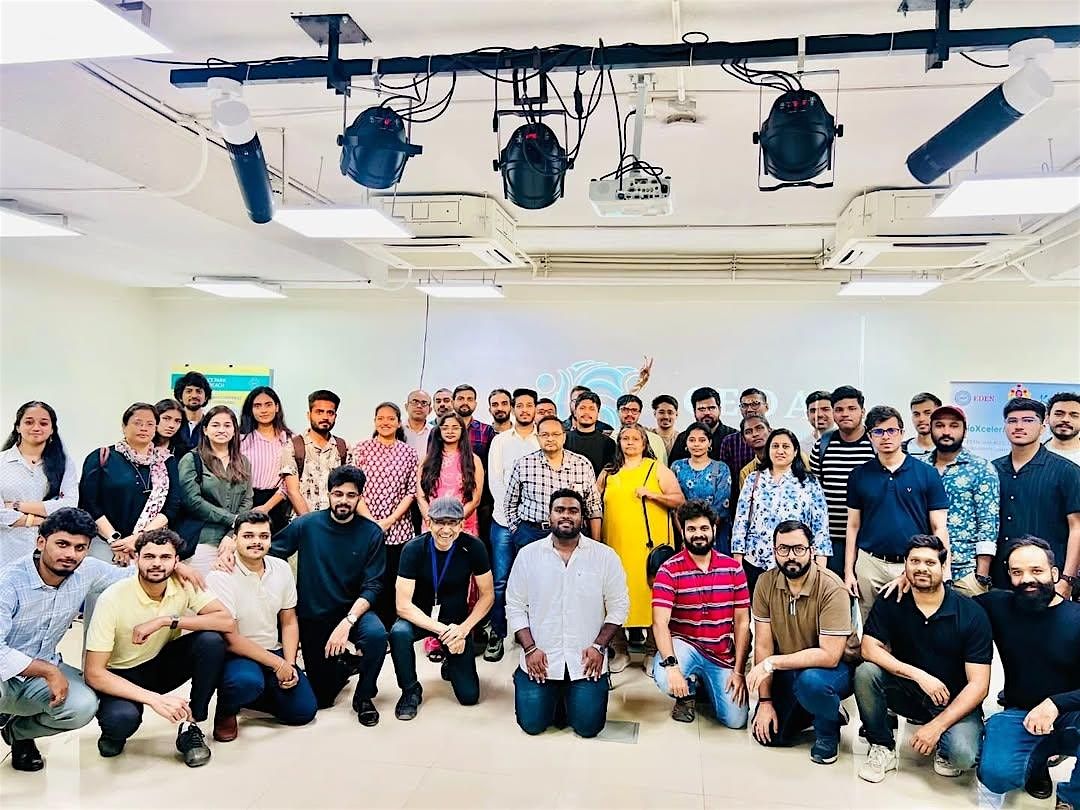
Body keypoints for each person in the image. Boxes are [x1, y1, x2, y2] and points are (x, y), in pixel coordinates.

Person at [0, 509, 193, 772]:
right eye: (62, 544)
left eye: (80, 547)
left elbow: (135, 575)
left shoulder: (87, 570)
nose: (70, 554)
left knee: (83, 706)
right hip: (12, 673)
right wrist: (48, 671)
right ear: (41, 542)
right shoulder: (8, 582)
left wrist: (175, 565)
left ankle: (18, 733)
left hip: (41, 671)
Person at [84, 528, 231, 766]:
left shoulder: (183, 583)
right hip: (119, 674)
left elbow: (226, 621)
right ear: (136, 558)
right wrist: (155, 700)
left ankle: (191, 724)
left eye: (165, 557)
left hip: (158, 664)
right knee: (121, 720)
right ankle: (113, 733)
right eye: (149, 556)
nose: (156, 564)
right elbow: (93, 673)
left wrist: (166, 620)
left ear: (176, 561)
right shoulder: (113, 598)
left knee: (211, 641)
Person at [855, 535, 991, 784]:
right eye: (914, 561)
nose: (921, 568)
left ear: (943, 566)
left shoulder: (970, 613)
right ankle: (882, 746)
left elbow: (979, 685)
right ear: (905, 565)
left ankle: (943, 742)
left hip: (952, 700)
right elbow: (868, 648)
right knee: (866, 672)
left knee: (963, 756)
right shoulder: (892, 599)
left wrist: (937, 727)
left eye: (930, 562)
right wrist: (919, 675)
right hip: (907, 691)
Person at [266, 465, 387, 725]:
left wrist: (348, 622)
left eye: (351, 495)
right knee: (322, 698)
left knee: (377, 636)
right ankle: (344, 664)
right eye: (338, 494)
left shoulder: (372, 533)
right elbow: (270, 552)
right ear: (328, 494)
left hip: (354, 611)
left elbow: (374, 586)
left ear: (360, 497)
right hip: (315, 615)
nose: (344, 500)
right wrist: (231, 548)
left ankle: (364, 696)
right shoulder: (306, 525)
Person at [506, 489, 629, 738]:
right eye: (559, 510)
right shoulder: (528, 555)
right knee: (532, 725)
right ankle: (548, 690)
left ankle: (567, 695)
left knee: (588, 728)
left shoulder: (604, 557)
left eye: (573, 511)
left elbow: (619, 607)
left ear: (582, 518)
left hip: (585, 660)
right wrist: (529, 649)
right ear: (549, 516)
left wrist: (599, 646)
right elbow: (515, 605)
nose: (566, 515)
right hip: (541, 659)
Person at [976, 536, 1080, 808]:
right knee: (995, 775)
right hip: (1021, 713)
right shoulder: (997, 605)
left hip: (1073, 712)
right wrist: (911, 578)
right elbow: (947, 602)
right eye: (1017, 572)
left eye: (1036, 570)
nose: (1027, 579)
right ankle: (1037, 762)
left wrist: (1056, 703)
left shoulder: (1077, 618)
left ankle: (1072, 799)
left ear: (1054, 574)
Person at [747, 520, 857, 765]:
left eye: (798, 549)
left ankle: (828, 731)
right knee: (770, 736)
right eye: (783, 549)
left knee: (811, 682)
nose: (791, 556)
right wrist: (765, 702)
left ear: (811, 550)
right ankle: (826, 709)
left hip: (833, 670)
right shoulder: (765, 583)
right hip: (789, 666)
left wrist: (772, 663)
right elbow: (763, 646)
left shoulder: (832, 587)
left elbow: (830, 656)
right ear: (774, 551)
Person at [205, 511, 316, 742]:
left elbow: (289, 620)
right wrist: (278, 665)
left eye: (263, 536)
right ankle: (227, 707)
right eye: (248, 536)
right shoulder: (220, 576)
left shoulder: (281, 568)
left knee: (303, 711)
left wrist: (289, 663)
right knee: (245, 683)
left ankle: (255, 694)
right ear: (234, 539)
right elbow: (231, 639)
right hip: (237, 654)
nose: (257, 541)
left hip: (272, 648)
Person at [390, 497, 494, 720]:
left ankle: (451, 662)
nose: (446, 530)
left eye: (452, 523)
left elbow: (488, 596)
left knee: (469, 696)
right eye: (439, 522)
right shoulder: (413, 549)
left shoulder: (474, 547)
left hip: (456, 622)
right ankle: (410, 690)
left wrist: (464, 629)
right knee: (399, 633)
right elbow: (403, 605)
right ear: (429, 522)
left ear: (461, 524)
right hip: (419, 617)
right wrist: (442, 630)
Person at [845, 405, 949, 620]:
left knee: (913, 622)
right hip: (870, 563)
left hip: (913, 562)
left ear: (902, 433)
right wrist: (848, 572)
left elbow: (939, 527)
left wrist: (942, 566)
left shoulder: (927, 473)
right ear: (870, 436)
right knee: (870, 623)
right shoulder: (859, 475)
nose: (886, 437)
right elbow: (853, 526)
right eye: (878, 432)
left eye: (892, 430)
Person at [651, 500, 750, 727]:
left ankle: (704, 684)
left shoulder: (733, 569)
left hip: (721, 653)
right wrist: (672, 667)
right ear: (683, 532)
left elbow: (742, 623)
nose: (698, 534)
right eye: (692, 529)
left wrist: (739, 672)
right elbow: (659, 623)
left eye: (704, 528)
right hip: (684, 647)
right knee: (666, 678)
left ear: (714, 529)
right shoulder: (669, 570)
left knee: (736, 720)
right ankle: (687, 693)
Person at [597, 425, 684, 671]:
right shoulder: (609, 472)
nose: (630, 442)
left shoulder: (656, 469)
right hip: (616, 545)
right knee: (614, 596)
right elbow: (594, 504)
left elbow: (679, 499)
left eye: (635, 438)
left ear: (645, 443)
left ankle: (652, 651)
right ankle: (620, 650)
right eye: (625, 438)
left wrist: (653, 495)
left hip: (650, 548)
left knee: (653, 597)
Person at [992, 397, 1080, 595]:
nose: (1019, 426)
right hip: (999, 579)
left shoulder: (1067, 471)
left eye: (1028, 420)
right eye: (1012, 421)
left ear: (1042, 427)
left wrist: (1067, 579)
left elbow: (1077, 527)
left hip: (1047, 579)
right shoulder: (992, 470)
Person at [79, 402, 182, 565]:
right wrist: (115, 540)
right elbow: (89, 504)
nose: (144, 428)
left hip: (148, 546)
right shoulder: (102, 457)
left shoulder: (166, 461)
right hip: (105, 543)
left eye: (150, 424)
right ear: (124, 426)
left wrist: (139, 538)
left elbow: (172, 506)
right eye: (138, 423)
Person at [347, 402, 419, 630]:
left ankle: (388, 627)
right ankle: (364, 627)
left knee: (392, 580)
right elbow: (353, 489)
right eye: (380, 418)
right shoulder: (361, 449)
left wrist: (388, 521)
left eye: (390, 418)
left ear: (399, 423)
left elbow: (411, 492)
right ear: (374, 421)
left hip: (399, 530)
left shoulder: (409, 453)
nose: (385, 422)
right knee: (365, 578)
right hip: (364, 526)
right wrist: (372, 522)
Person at [732, 429, 830, 595]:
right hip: (756, 561)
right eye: (775, 446)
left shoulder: (809, 482)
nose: (780, 451)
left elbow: (821, 527)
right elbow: (740, 522)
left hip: (796, 560)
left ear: (795, 451)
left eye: (786, 446)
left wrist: (820, 568)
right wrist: (738, 563)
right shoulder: (753, 479)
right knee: (759, 608)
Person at [486, 388, 540, 662]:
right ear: (513, 409)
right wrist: (511, 515)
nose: (524, 410)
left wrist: (525, 517)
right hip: (503, 521)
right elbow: (495, 481)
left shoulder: (541, 439)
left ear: (535, 409)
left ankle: (531, 635)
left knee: (534, 582)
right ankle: (497, 633)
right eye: (520, 405)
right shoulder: (500, 441)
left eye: (529, 405)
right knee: (500, 581)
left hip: (533, 523)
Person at [922, 405, 999, 595]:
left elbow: (988, 522)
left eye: (954, 426)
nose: (946, 432)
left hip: (965, 570)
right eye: (940, 425)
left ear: (965, 430)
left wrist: (981, 575)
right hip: (922, 567)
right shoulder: (919, 467)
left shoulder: (981, 468)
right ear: (930, 428)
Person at [504, 416, 602, 549]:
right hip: (532, 534)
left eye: (555, 434)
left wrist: (595, 542)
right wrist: (518, 531)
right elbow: (510, 503)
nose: (550, 438)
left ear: (564, 437)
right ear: (538, 437)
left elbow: (593, 506)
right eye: (545, 435)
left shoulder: (582, 464)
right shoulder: (523, 464)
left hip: (572, 533)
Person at [1, 401, 78, 567]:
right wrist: (40, 520)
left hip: (50, 553)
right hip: (7, 550)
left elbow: (69, 505)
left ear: (52, 429)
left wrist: (17, 506)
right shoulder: (2, 462)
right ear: (18, 427)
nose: (36, 427)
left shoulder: (64, 464)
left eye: (43, 423)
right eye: (29, 422)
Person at [810, 385, 876, 578]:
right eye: (839, 409)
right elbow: (814, 494)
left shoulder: (875, 444)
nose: (845, 414)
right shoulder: (822, 445)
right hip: (832, 541)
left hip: (868, 541)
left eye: (851, 408)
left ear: (862, 411)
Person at [179, 406, 253, 574]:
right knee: (202, 588)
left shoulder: (243, 462)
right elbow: (192, 501)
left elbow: (247, 500)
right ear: (205, 430)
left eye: (227, 425)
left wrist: (232, 534)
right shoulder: (191, 459)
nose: (221, 430)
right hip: (202, 540)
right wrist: (232, 520)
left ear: (234, 431)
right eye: (215, 425)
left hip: (235, 542)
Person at [279, 390, 348, 517]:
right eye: (319, 412)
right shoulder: (293, 446)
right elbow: (292, 492)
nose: (325, 417)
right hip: (302, 522)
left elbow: (349, 490)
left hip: (336, 522)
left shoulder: (343, 447)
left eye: (330, 413)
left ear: (335, 416)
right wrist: (311, 524)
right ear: (309, 415)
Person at [416, 413, 484, 535]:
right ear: (439, 431)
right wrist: (431, 520)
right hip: (432, 525)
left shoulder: (474, 460)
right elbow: (420, 496)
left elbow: (476, 499)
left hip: (463, 525)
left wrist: (455, 522)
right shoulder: (426, 461)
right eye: (445, 428)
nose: (450, 431)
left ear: (462, 431)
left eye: (455, 427)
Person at [670, 422, 733, 554]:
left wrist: (705, 533)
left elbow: (722, 506)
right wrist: (685, 534)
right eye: (692, 440)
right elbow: (674, 505)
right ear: (686, 443)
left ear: (709, 443)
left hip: (715, 534)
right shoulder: (677, 467)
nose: (696, 444)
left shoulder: (720, 468)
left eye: (702, 440)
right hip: (685, 533)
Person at [238, 386, 293, 535]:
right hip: (245, 502)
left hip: (277, 504)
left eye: (268, 405)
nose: (263, 410)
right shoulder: (240, 440)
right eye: (257, 406)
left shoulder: (289, 440)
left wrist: (266, 507)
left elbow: (289, 483)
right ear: (251, 410)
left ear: (277, 407)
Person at [668, 387, 737, 464]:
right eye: (702, 409)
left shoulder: (734, 437)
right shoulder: (683, 438)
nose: (707, 413)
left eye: (711, 408)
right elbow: (672, 468)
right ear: (694, 412)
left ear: (719, 410)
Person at [719, 389, 770, 489]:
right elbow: (725, 478)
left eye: (755, 404)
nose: (749, 409)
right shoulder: (730, 442)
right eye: (744, 405)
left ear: (766, 407)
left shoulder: (780, 438)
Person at [564, 392, 617, 476]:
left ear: (598, 413)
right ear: (575, 412)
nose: (586, 412)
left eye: (591, 409)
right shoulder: (564, 438)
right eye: (582, 408)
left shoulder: (609, 443)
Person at [617, 394, 667, 464]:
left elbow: (662, 467)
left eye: (634, 410)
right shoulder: (610, 439)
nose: (629, 414)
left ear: (639, 413)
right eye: (625, 410)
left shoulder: (655, 440)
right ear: (617, 411)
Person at [173, 371, 212, 454]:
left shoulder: (210, 425)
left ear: (206, 397)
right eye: (189, 391)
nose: (194, 395)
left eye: (199, 391)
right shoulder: (172, 424)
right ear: (180, 397)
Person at [453, 384, 495, 462]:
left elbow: (491, 462)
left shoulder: (487, 431)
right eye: (460, 399)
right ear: (453, 402)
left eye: (470, 399)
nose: (465, 402)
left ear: (475, 404)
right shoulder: (441, 430)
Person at [736, 415, 772, 489]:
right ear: (744, 440)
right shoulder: (746, 472)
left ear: (770, 431)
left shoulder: (790, 460)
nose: (755, 434)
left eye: (759, 428)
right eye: (748, 432)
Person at [902, 392, 942, 459]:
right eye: (916, 414)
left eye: (927, 413)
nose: (921, 419)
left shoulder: (953, 451)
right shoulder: (899, 451)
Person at [1045, 391, 1080, 465]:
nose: (1065, 419)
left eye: (1074, 415)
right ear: (1047, 418)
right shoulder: (1032, 453)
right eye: (1059, 414)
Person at [403, 390, 432, 456]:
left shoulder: (435, 432)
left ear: (430, 410)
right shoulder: (397, 429)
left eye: (424, 403)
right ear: (406, 407)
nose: (419, 406)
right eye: (414, 402)